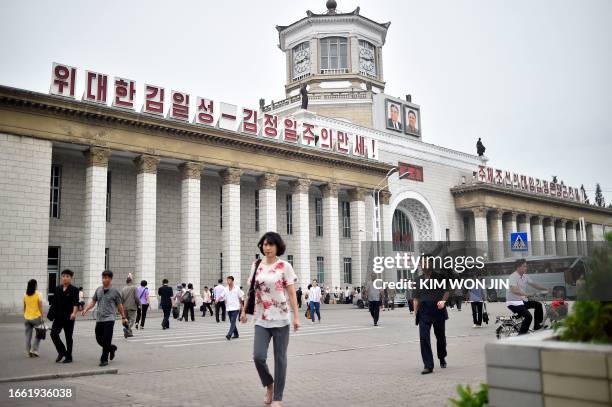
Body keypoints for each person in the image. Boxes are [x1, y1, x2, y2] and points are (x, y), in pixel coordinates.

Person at [240, 231, 300, 407]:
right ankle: (269, 385)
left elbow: (291, 293)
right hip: (261, 317)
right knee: (258, 356)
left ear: (277, 246)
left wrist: (296, 317)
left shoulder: (285, 266)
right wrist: (244, 311)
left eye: (271, 245)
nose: (267, 248)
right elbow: (251, 290)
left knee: (280, 358)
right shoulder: (256, 264)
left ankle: (278, 398)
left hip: (281, 318)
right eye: (265, 244)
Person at [82, 270, 128, 367]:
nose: (104, 280)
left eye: (106, 278)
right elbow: (93, 302)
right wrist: (86, 309)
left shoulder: (115, 292)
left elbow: (119, 305)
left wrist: (123, 317)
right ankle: (111, 348)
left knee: (107, 339)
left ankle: (104, 359)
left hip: (110, 318)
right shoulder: (98, 290)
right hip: (99, 318)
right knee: (99, 339)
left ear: (110, 279)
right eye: (103, 278)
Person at [413, 260, 450, 374]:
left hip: (438, 310)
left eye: (426, 263)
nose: (424, 266)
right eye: (422, 264)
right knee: (424, 338)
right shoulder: (418, 280)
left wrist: (443, 301)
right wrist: (415, 312)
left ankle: (442, 356)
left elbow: (447, 291)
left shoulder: (440, 277)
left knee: (440, 337)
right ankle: (428, 365)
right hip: (424, 312)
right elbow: (415, 298)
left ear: (431, 265)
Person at [506, 259, 549, 334]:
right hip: (513, 303)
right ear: (518, 267)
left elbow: (534, 284)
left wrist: (546, 288)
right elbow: (514, 290)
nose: (526, 268)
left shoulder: (525, 276)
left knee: (538, 305)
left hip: (522, 301)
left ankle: (537, 326)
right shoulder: (513, 276)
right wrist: (527, 294)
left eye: (526, 266)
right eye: (524, 266)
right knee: (528, 317)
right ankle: (521, 336)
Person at [49, 269, 79, 363]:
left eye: (67, 276)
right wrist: (50, 314)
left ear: (71, 278)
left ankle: (69, 357)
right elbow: (54, 303)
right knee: (53, 333)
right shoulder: (57, 288)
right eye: (63, 276)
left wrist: (74, 313)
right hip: (58, 317)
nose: (65, 278)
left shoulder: (74, 289)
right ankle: (62, 351)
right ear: (61, 277)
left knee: (68, 337)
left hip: (69, 317)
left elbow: (75, 303)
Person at [23, 279, 43, 358]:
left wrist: (25, 315)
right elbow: (40, 307)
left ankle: (28, 352)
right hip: (36, 318)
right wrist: (42, 316)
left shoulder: (25, 294)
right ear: (35, 285)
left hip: (27, 318)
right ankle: (34, 349)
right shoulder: (39, 294)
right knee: (39, 334)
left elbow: (24, 307)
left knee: (28, 336)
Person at [224, 276, 244, 340]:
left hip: (236, 307)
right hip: (229, 307)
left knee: (233, 321)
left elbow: (241, 297)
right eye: (227, 280)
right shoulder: (226, 288)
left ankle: (229, 334)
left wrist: (242, 306)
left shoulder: (237, 288)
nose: (228, 281)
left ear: (232, 281)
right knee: (232, 321)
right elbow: (224, 296)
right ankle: (236, 334)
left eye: (229, 280)